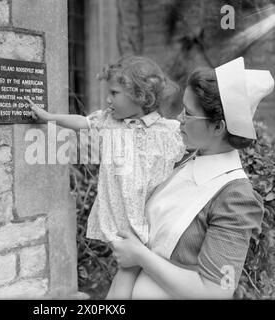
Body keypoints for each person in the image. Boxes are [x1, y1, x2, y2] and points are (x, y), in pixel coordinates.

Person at [109, 57, 274, 299]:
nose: (178, 119)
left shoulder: (236, 199)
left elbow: (219, 291)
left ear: (219, 127)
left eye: (189, 113)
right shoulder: (186, 160)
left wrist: (140, 256)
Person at [28, 56, 185, 298]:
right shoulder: (109, 122)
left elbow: (187, 153)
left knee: (133, 269)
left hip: (150, 217)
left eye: (114, 93)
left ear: (140, 96)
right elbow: (83, 122)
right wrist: (50, 118)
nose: (108, 99)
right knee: (129, 267)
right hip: (120, 215)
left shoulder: (167, 130)